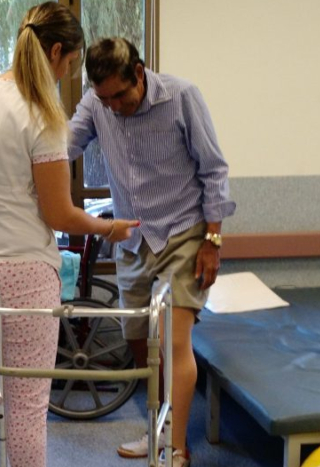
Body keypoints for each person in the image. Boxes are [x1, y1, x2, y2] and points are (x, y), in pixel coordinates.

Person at [0, 4, 139, 467]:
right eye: (70, 63)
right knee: (26, 404)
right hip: (22, 270)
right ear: (56, 51)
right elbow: (59, 215)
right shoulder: (42, 114)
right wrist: (109, 227)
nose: (66, 73)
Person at [67, 38, 237, 467]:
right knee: (140, 343)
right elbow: (62, 147)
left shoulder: (181, 97)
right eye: (104, 98)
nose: (112, 107)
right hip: (132, 237)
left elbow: (213, 170)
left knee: (175, 343)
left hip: (183, 232)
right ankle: (159, 428)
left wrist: (212, 241)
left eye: (119, 96)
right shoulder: (96, 103)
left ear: (139, 74)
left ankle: (177, 448)